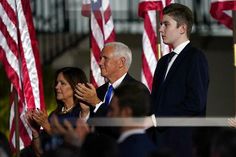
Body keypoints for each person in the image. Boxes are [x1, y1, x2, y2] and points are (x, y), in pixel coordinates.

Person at [150, 3, 209, 157]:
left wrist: (158, 119)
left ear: (182, 28)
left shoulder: (195, 57)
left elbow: (195, 103)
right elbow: (156, 101)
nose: (160, 29)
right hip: (159, 143)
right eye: (161, 24)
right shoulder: (163, 62)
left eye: (166, 24)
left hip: (184, 145)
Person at [25, 67, 89, 156]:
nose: (56, 87)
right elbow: (40, 153)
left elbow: (73, 146)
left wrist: (47, 126)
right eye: (57, 83)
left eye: (62, 83)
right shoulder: (54, 115)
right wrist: (35, 131)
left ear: (75, 87)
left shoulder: (81, 113)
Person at [75, 42, 149, 117]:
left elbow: (127, 123)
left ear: (121, 62)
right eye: (100, 58)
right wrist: (85, 112)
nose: (100, 63)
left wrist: (97, 103)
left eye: (105, 58)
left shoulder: (137, 90)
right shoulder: (98, 91)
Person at [108, 83, 156, 157]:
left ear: (126, 112)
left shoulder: (119, 152)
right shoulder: (153, 149)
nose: (108, 115)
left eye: (112, 110)